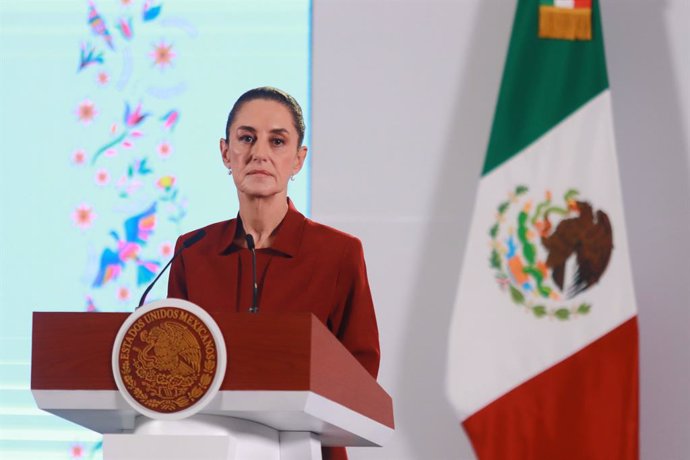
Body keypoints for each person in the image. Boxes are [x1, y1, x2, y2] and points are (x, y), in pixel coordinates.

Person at [167, 87, 380, 460]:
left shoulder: (339, 253)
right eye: (246, 138)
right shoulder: (192, 251)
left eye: (277, 141)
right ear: (225, 152)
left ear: (298, 160)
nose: (259, 153)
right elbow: (175, 365)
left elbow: (361, 373)